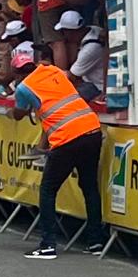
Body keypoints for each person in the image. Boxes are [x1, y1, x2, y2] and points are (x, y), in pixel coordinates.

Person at [11, 50, 104, 259]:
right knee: (89, 186)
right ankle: (96, 241)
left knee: (47, 190)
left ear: (16, 73)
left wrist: (15, 112)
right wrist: (43, 147)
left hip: (68, 138)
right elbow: (55, 111)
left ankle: (47, 244)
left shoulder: (24, 88)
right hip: (91, 129)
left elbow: (19, 114)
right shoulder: (52, 70)